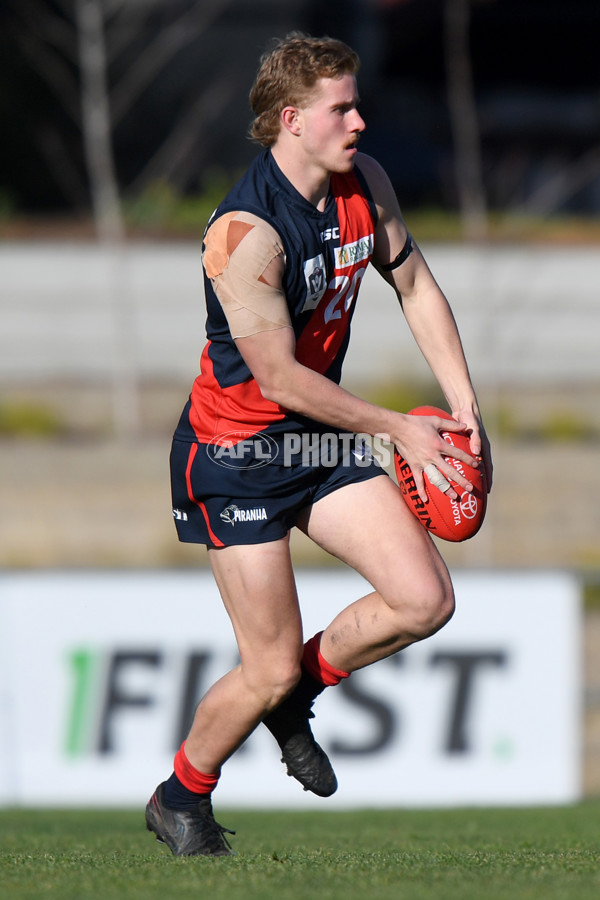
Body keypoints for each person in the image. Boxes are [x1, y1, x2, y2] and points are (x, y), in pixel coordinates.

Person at [145, 32, 492, 857]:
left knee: (424, 600)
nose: (361, 121)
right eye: (343, 107)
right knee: (262, 667)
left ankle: (299, 695)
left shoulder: (363, 183)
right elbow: (281, 381)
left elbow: (413, 282)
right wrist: (402, 428)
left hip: (316, 443)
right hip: (235, 457)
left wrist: (462, 402)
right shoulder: (244, 234)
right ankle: (179, 796)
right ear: (292, 120)